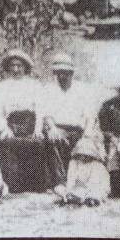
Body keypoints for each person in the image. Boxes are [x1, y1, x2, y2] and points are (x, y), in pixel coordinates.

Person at [0, 49, 46, 193]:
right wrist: (4, 128)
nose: (16, 69)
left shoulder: (35, 85)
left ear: (25, 67)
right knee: (7, 144)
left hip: (30, 125)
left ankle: (34, 185)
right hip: (11, 125)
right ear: (8, 67)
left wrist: (38, 129)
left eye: (19, 65)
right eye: (12, 65)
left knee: (37, 143)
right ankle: (12, 184)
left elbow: (40, 109)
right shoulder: (1, 87)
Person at [41, 52, 97, 192]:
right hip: (57, 127)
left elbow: (90, 115)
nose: (62, 76)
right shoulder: (49, 89)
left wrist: (88, 133)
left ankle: (81, 181)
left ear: (72, 73)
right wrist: (52, 127)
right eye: (59, 72)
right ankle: (60, 182)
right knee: (53, 139)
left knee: (85, 146)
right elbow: (46, 113)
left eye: (66, 72)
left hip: (77, 130)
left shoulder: (82, 89)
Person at [60, 138, 110, 207]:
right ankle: (76, 197)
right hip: (78, 187)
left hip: (96, 187)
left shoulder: (97, 165)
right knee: (61, 189)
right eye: (80, 154)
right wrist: (68, 192)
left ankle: (88, 199)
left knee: (92, 197)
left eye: (85, 155)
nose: (82, 157)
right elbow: (70, 180)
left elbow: (93, 183)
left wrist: (83, 193)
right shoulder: (73, 163)